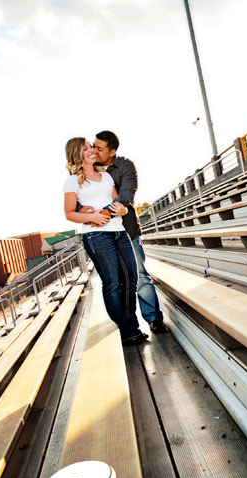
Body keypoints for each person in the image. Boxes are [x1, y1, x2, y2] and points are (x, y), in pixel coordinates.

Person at [63, 137, 147, 346]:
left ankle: (129, 325)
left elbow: (119, 204)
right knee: (112, 283)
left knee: (131, 279)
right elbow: (69, 213)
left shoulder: (106, 176)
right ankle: (129, 329)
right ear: (77, 154)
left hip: (119, 231)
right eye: (86, 148)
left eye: (91, 146)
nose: (92, 150)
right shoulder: (73, 181)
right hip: (96, 236)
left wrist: (124, 210)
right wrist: (92, 217)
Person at [89, 130, 168, 334]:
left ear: (112, 151)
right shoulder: (87, 167)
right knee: (114, 283)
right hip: (101, 236)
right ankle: (125, 327)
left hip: (126, 230)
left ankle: (153, 318)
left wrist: (98, 214)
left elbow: (125, 198)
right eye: (93, 145)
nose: (94, 150)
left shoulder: (125, 166)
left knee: (140, 277)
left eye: (100, 148)